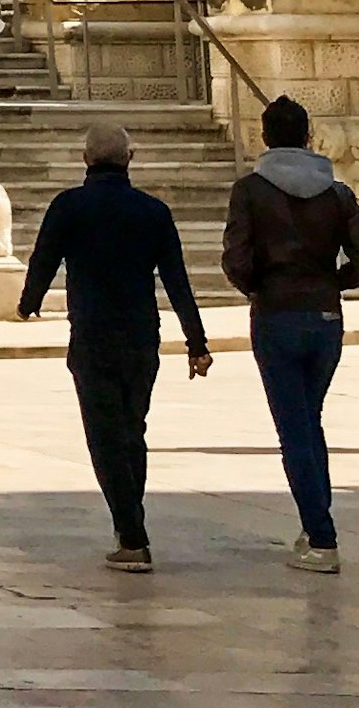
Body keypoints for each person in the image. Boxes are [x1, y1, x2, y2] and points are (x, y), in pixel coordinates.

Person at [16, 126, 212, 571]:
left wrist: (28, 303)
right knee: (131, 430)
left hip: (92, 334)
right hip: (141, 336)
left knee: (104, 437)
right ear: (130, 157)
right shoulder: (153, 211)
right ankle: (129, 525)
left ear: (85, 158)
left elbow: (44, 259)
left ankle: (132, 537)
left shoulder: (68, 206)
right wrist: (196, 342)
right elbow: (177, 281)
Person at [219, 96, 359, 574]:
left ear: (265, 136)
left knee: (293, 427)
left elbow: (236, 258)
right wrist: (331, 282)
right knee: (309, 421)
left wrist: (259, 287)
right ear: (308, 136)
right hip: (325, 315)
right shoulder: (337, 194)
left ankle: (322, 535)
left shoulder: (250, 191)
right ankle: (315, 523)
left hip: (277, 314)